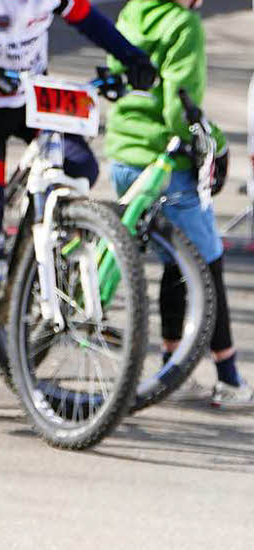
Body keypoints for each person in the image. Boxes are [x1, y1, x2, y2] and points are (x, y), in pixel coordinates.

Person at [0, 0, 158, 375]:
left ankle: (40, 247)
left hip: (36, 101)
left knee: (81, 164)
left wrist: (132, 57)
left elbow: (91, 22)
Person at [105, 0, 253, 408]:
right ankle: (229, 376)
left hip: (125, 156)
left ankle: (172, 362)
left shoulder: (132, 12)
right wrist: (217, 145)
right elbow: (179, 110)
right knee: (207, 260)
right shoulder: (183, 25)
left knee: (175, 259)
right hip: (166, 162)